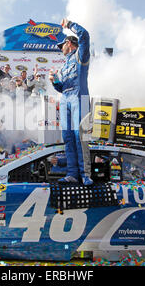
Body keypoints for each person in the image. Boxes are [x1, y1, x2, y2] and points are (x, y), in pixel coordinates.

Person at [49, 18, 93, 186]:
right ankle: (72, 173)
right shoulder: (63, 66)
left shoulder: (80, 55)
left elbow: (85, 35)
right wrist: (54, 82)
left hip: (79, 98)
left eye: (63, 45)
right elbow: (63, 88)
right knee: (68, 137)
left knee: (80, 137)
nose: (61, 49)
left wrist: (69, 25)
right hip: (66, 99)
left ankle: (85, 174)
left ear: (69, 43)